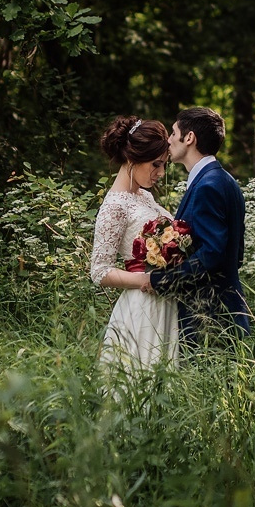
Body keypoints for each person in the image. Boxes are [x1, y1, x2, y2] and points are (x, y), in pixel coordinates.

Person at [142, 106, 250, 346]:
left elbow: (212, 253)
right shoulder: (225, 180)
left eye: (172, 133)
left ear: (189, 137)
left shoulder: (207, 186)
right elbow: (236, 254)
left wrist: (161, 280)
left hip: (209, 317)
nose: (168, 141)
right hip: (227, 308)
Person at [90, 116, 180, 368]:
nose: (161, 173)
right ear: (132, 158)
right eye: (156, 164)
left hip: (167, 299)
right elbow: (99, 270)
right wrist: (146, 279)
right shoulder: (115, 206)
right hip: (142, 305)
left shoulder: (146, 197)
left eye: (164, 165)